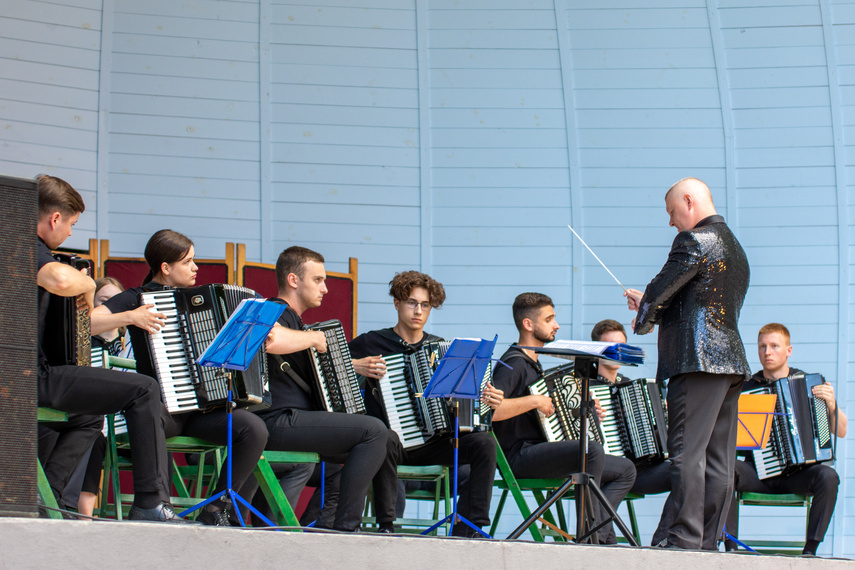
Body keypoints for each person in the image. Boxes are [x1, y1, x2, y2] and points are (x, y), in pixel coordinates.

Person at [91, 229, 269, 526]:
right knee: (148, 414)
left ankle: (216, 508)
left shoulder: (205, 299)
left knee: (254, 429)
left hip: (201, 410)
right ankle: (152, 504)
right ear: (166, 268)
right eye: (188, 261)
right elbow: (90, 321)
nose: (195, 268)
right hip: (162, 410)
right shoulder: (136, 298)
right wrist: (131, 317)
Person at [34, 174, 181, 522]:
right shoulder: (28, 246)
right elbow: (60, 279)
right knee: (144, 389)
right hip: (29, 374)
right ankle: (149, 502)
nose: (70, 232)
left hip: (30, 371)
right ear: (55, 218)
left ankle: (46, 500)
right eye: (71, 224)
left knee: (88, 416)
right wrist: (88, 282)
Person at [624, 176, 751, 550]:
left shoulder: (694, 240)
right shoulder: (735, 248)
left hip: (696, 363)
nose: (671, 222)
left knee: (685, 455)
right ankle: (707, 541)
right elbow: (704, 305)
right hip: (729, 365)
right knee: (718, 460)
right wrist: (653, 306)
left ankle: (683, 539)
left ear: (689, 201)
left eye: (671, 212)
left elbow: (663, 286)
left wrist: (645, 312)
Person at [348, 270, 503, 537]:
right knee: (383, 435)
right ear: (397, 303)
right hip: (388, 444)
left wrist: (488, 400)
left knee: (484, 442)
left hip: (433, 442)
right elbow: (328, 371)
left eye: (425, 305)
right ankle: (387, 526)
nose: (418, 311)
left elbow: (463, 405)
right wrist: (355, 365)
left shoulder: (441, 349)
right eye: (411, 302)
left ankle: (469, 526)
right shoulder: (371, 342)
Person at [254, 246, 388, 532]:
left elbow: (306, 360)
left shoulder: (296, 322)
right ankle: (346, 528)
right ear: (293, 280)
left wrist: (354, 365)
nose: (326, 288)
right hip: (276, 419)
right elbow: (270, 339)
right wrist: (313, 337)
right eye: (318, 280)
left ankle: (316, 527)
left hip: (293, 421)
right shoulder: (273, 309)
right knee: (373, 432)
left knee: (364, 451)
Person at [491, 293, 636, 544]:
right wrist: (535, 401)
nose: (556, 325)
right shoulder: (512, 364)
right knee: (590, 451)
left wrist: (586, 410)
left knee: (626, 469)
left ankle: (599, 531)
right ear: (528, 324)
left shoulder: (534, 364)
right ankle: (592, 536)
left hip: (539, 450)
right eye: (549, 319)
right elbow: (491, 412)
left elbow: (547, 416)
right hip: (518, 456)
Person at [724, 323, 847, 556]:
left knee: (828, 476)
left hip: (797, 475)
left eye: (774, 346)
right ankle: (731, 547)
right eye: (762, 347)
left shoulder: (810, 385)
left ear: (788, 350)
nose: (767, 352)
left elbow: (841, 431)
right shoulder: (747, 386)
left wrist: (831, 404)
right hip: (757, 473)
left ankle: (809, 552)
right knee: (724, 468)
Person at [588, 319, 673, 545]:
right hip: (605, 470)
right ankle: (600, 538)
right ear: (597, 350)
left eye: (621, 347)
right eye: (610, 348)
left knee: (685, 470)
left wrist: (661, 419)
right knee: (622, 469)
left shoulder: (633, 388)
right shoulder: (585, 387)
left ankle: (663, 541)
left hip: (637, 471)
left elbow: (652, 441)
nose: (617, 353)